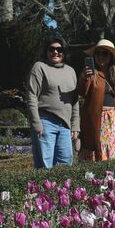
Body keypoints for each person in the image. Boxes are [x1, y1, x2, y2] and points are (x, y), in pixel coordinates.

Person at [25, 35, 80, 169]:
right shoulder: (39, 67)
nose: (55, 52)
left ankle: (61, 190)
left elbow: (75, 100)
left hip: (65, 125)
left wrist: (75, 125)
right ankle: (44, 191)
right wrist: (36, 123)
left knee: (65, 163)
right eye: (51, 49)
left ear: (64, 52)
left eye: (59, 49)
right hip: (45, 121)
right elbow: (31, 95)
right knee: (45, 165)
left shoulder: (71, 71)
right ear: (46, 51)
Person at [76, 39, 115, 161]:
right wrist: (83, 78)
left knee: (111, 150)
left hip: (113, 119)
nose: (101, 56)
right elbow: (81, 92)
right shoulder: (90, 73)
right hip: (95, 119)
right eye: (98, 53)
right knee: (94, 148)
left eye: (105, 53)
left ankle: (109, 177)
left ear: (111, 56)